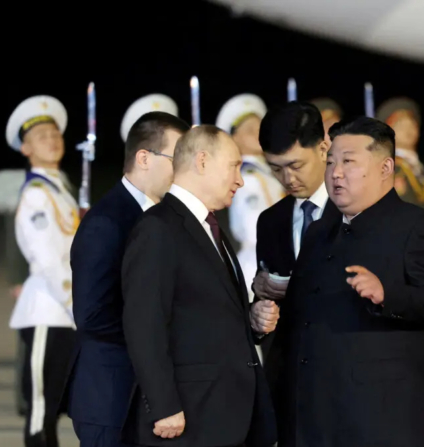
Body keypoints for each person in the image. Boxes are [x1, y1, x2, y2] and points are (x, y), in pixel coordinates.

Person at [272, 116, 424, 447]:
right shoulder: (319, 232)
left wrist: (387, 295)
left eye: (348, 162)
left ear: (385, 167)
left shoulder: (419, 227)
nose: (335, 173)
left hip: (383, 418)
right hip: (314, 417)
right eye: (330, 161)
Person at [120, 125, 278, 447]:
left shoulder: (208, 226)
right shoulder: (159, 229)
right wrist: (164, 406)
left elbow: (205, 311)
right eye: (234, 166)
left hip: (224, 414)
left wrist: (252, 319)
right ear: (202, 162)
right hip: (188, 417)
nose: (241, 179)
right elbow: (144, 324)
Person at [65, 107, 190, 447]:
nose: (183, 171)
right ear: (144, 158)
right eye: (176, 159)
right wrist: (159, 336)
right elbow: (92, 317)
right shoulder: (108, 222)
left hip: (144, 397)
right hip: (111, 397)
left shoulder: (162, 218)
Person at [6, 95, 78, 447]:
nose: (52, 140)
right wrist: (78, 302)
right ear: (25, 148)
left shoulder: (60, 189)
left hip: (65, 314)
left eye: (55, 133)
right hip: (49, 310)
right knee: (40, 412)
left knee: (53, 409)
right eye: (41, 136)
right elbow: (49, 259)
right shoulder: (36, 194)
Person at [251, 101, 334, 387]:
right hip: (294, 386)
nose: (288, 179)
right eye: (275, 169)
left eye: (296, 166)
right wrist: (258, 315)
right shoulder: (271, 221)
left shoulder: (358, 212)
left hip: (352, 383)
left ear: (323, 149)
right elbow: (267, 301)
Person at [0, 167, 74, 416]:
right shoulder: (28, 192)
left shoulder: (58, 188)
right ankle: (26, 397)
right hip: (34, 282)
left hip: (57, 277)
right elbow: (16, 240)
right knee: (30, 347)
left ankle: (51, 396)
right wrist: (17, 278)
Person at [217, 93, 285, 299]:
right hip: (260, 269)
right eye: (249, 130)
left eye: (259, 127)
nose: (257, 133)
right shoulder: (246, 176)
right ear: (234, 139)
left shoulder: (270, 172)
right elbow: (255, 230)